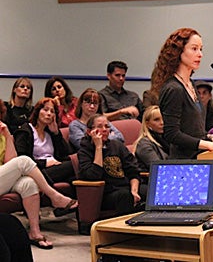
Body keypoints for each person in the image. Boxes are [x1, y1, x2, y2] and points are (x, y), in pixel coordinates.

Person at [149, 28, 213, 158]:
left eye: (201, 49)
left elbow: (192, 130)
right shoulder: (174, 88)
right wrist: (209, 145)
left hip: (200, 158)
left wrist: (211, 138)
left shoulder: (191, 84)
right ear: (178, 51)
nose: (200, 54)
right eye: (194, 49)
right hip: (184, 164)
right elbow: (172, 134)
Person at [1, 105, 78, 250]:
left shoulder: (2, 133)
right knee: (24, 160)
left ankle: (35, 233)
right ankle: (54, 196)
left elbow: (10, 161)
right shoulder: (26, 129)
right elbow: (19, 160)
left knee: (29, 183)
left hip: (4, 176)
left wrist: (7, 135)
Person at [77, 114, 144, 216]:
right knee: (124, 196)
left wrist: (134, 191)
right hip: (104, 194)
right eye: (99, 127)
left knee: (152, 192)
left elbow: (133, 171)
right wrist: (98, 148)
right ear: (89, 131)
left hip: (126, 188)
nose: (104, 130)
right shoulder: (85, 151)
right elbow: (94, 176)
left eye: (107, 126)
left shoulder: (117, 146)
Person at [13, 98, 75, 185]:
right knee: (75, 165)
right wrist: (45, 163)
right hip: (37, 170)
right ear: (37, 111)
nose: (49, 114)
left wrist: (56, 133)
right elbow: (23, 159)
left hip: (55, 167)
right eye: (45, 110)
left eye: (52, 111)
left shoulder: (50, 132)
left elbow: (66, 153)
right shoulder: (25, 130)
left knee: (76, 174)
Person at [134, 106, 169, 172]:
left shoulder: (168, 139)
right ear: (147, 124)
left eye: (163, 119)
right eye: (156, 120)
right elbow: (158, 169)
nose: (162, 123)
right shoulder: (144, 144)